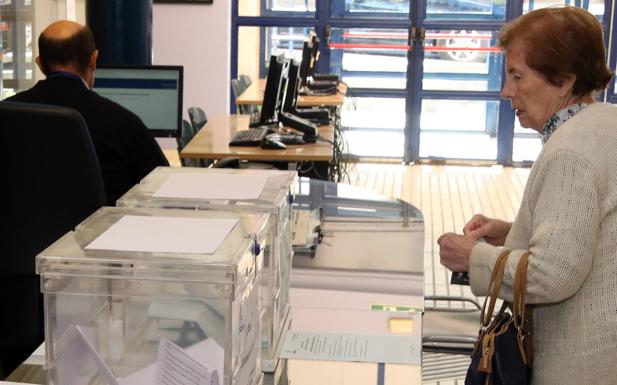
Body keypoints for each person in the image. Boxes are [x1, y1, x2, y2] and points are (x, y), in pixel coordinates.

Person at [437, 7, 617, 385]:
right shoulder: (605, 123)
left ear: (564, 81)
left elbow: (555, 274)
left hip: (576, 364)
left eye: (518, 76)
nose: (506, 91)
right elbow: (588, 232)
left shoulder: (570, 151)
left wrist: (474, 258)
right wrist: (515, 232)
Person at [8, 20, 169, 205]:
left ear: (40, 64)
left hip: (20, 233)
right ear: (93, 59)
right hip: (104, 232)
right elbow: (164, 185)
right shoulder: (122, 121)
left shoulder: (7, 113)